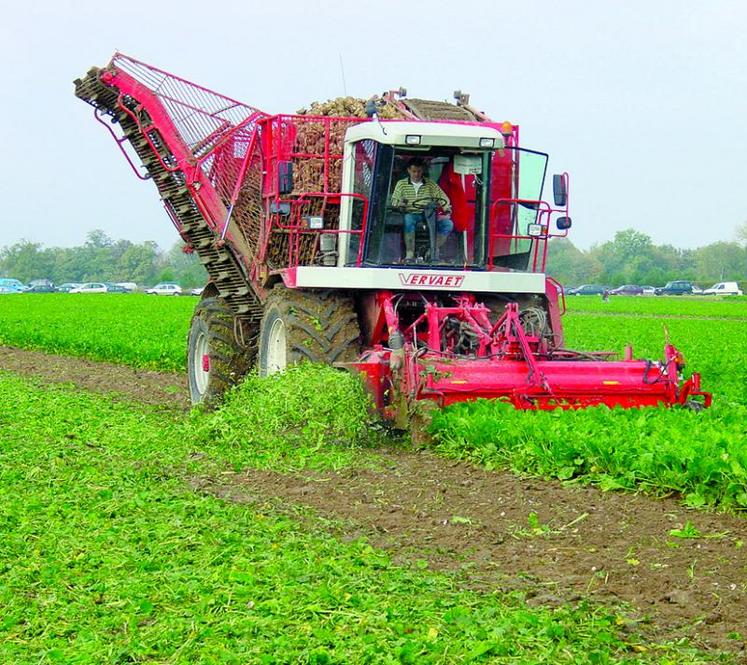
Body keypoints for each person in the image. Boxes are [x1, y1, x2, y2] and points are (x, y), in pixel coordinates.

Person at [390, 157, 454, 261]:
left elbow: (442, 198)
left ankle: (431, 250)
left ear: (422, 170)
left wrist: (446, 207)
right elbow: (394, 201)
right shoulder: (401, 184)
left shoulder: (430, 184)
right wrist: (400, 203)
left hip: (429, 215)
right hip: (411, 213)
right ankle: (409, 253)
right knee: (408, 219)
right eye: (414, 171)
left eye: (419, 171)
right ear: (408, 170)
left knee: (448, 224)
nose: (416, 174)